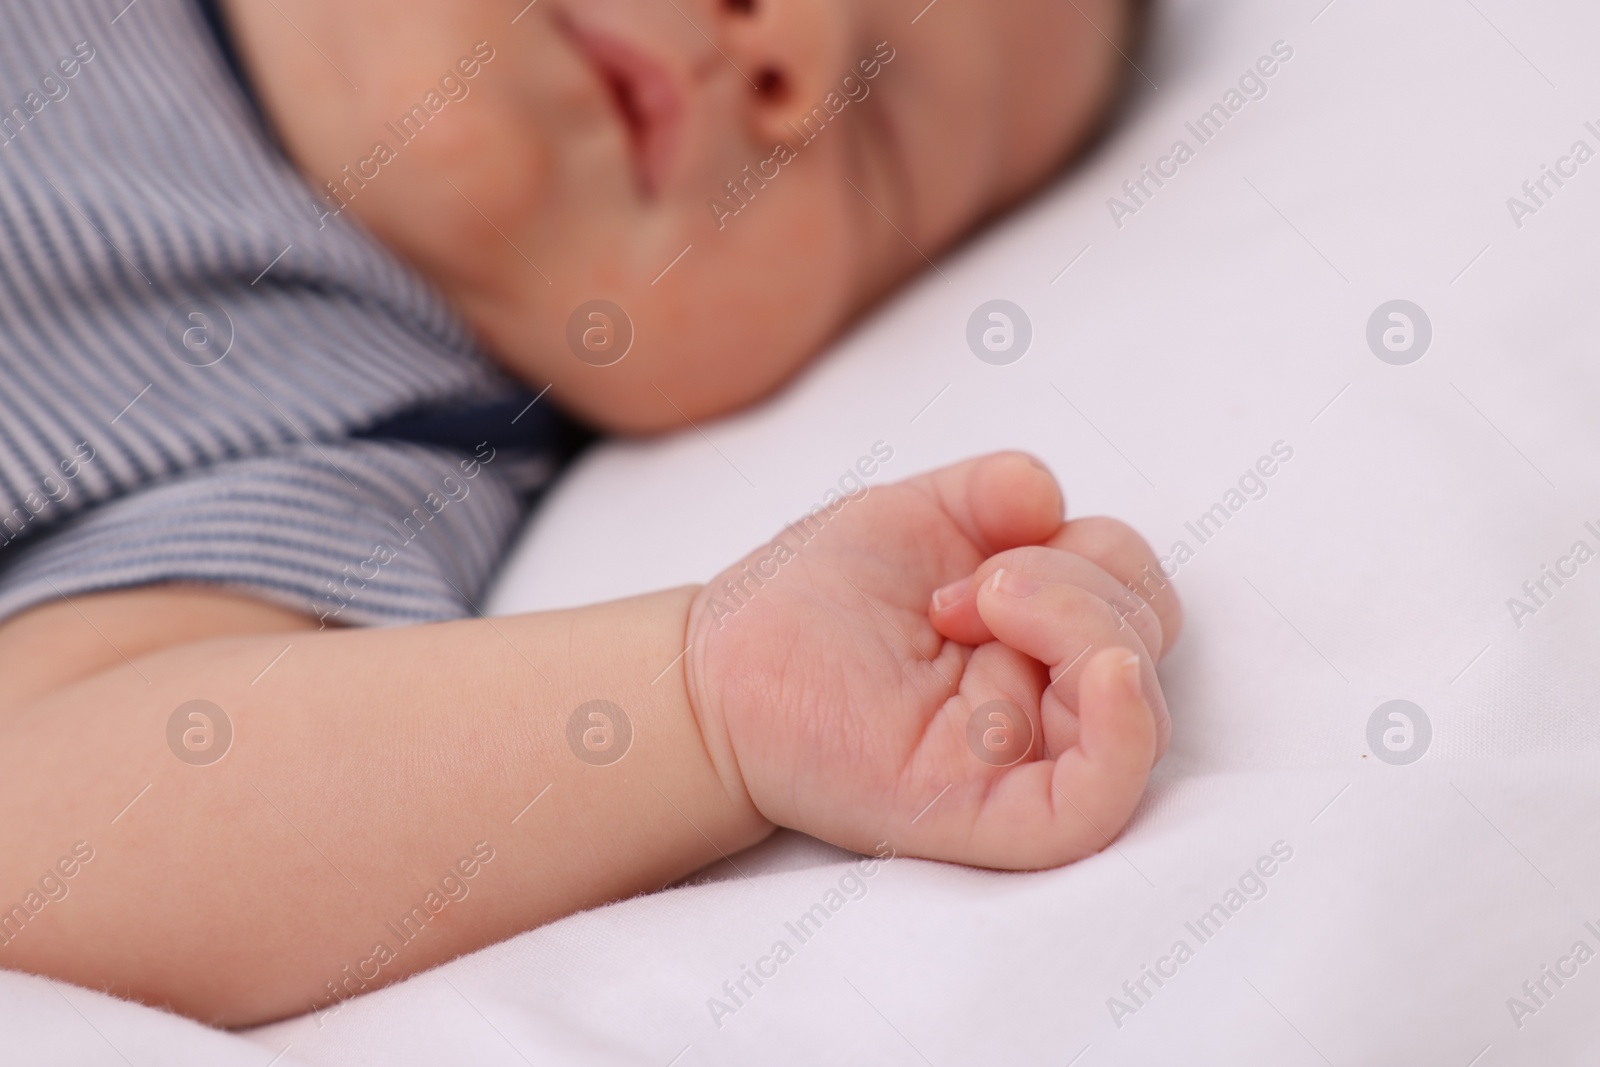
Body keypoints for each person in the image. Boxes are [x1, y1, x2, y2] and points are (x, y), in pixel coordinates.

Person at [0, 0, 1178, 1026]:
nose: (800, 41)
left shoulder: (366, 437)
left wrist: (708, 696)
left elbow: (43, 819)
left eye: (879, 140)